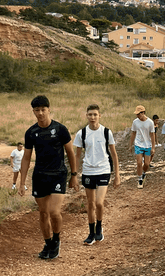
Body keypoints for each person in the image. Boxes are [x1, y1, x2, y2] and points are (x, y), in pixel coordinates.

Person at [18, 95, 79, 260]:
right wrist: (21, 182)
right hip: (40, 176)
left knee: (54, 211)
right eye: (36, 110)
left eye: (43, 110)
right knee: (43, 213)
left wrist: (74, 175)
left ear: (49, 109)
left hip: (58, 174)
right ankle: (48, 243)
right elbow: (26, 158)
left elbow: (70, 152)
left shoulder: (60, 129)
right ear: (33, 111)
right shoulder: (31, 132)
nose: (40, 113)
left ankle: (56, 240)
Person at [73, 104, 120, 244]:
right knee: (90, 204)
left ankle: (99, 227)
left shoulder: (106, 132)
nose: (92, 117)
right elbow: (77, 156)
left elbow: (114, 155)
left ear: (99, 116)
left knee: (99, 203)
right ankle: (91, 233)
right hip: (88, 171)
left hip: (103, 170)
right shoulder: (81, 133)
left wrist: (117, 175)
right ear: (86, 116)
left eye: (95, 114)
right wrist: (74, 175)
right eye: (90, 114)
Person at [130, 105, 155, 189]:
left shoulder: (150, 122)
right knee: (139, 162)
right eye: (136, 114)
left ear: (143, 113)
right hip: (138, 144)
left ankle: (143, 173)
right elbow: (133, 133)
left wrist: (153, 147)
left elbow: (152, 135)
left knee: (147, 164)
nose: (137, 115)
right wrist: (130, 145)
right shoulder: (135, 122)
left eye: (138, 114)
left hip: (147, 145)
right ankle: (140, 179)